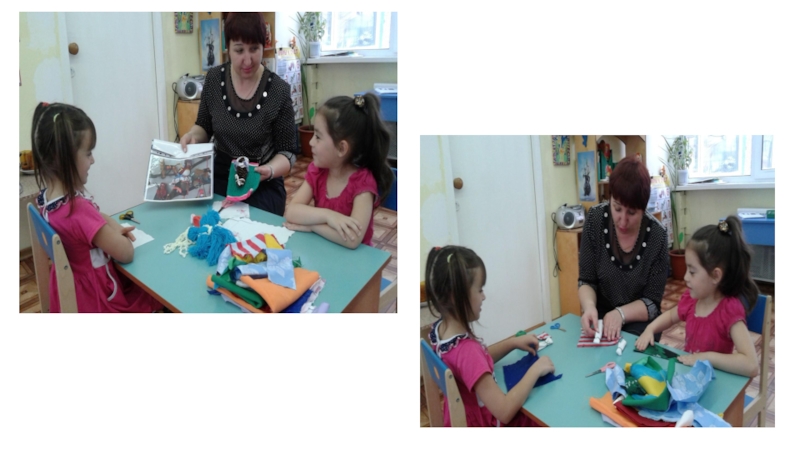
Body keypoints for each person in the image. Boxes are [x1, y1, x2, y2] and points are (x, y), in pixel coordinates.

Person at [30, 102, 162, 313]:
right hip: (96, 301)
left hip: (72, 291)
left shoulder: (46, 199)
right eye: (88, 153)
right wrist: (117, 230)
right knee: (155, 294)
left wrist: (107, 224)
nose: (93, 160)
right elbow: (126, 253)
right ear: (63, 159)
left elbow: (96, 217)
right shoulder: (78, 210)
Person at [180, 12, 297, 215]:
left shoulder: (278, 90)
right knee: (202, 221)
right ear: (228, 48)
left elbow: (288, 153)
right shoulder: (214, 79)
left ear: (263, 46)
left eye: (254, 49)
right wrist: (193, 136)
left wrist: (269, 170)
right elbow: (203, 126)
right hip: (220, 176)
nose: (247, 60)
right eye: (239, 50)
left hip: (261, 181)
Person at [424, 246, 552, 427]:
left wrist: (512, 343)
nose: (484, 297)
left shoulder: (441, 330)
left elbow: (474, 364)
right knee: (542, 416)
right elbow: (505, 411)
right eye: (479, 290)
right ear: (455, 296)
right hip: (482, 423)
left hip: (460, 416)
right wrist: (536, 370)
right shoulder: (467, 351)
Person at [635, 216, 759, 377]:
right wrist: (650, 329)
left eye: (692, 272)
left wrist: (706, 357)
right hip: (691, 376)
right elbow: (671, 316)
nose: (685, 277)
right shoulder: (692, 299)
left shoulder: (729, 310)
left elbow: (751, 365)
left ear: (715, 276)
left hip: (714, 380)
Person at [283, 93, 394, 249]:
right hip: (324, 250)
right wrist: (328, 216)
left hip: (355, 260)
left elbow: (352, 239)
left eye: (318, 137)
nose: (311, 142)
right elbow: (292, 212)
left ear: (341, 148)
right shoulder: (317, 171)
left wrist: (312, 226)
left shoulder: (363, 183)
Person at [579, 156, 670, 340]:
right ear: (610, 198)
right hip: (601, 315)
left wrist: (620, 314)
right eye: (617, 208)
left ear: (643, 208)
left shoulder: (657, 236)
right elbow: (586, 280)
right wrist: (589, 307)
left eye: (632, 212)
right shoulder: (595, 220)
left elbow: (652, 303)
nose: (622, 220)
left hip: (639, 320)